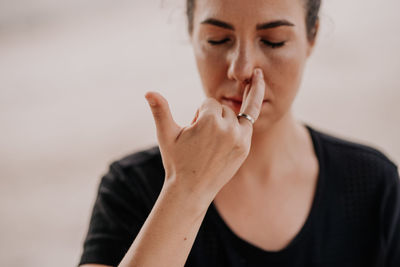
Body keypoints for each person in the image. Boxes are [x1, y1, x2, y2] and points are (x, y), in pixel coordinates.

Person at [78, 0, 400, 266]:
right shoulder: (130, 189)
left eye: (273, 41)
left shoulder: (373, 185)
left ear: (311, 37)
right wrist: (185, 191)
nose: (242, 68)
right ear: (192, 35)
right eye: (218, 40)